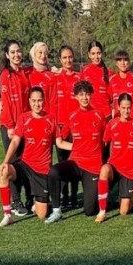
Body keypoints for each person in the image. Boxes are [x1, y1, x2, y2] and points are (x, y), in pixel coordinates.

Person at [46, 80, 107, 223]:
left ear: (91, 95)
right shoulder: (72, 116)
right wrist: (77, 147)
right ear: (76, 97)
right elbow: (60, 142)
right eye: (81, 95)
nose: (84, 98)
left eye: (87, 94)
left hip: (93, 166)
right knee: (54, 171)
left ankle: (103, 197)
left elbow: (105, 141)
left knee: (90, 211)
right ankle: (56, 210)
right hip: (76, 162)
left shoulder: (99, 115)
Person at [0, 87, 55, 227]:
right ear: (29, 101)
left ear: (44, 101)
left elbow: (58, 142)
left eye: (39, 100)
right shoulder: (23, 118)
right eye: (34, 101)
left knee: (41, 215)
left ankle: (44, 201)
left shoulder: (51, 119)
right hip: (25, 164)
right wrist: (5, 162)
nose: (37, 104)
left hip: (42, 170)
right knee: (4, 171)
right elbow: (15, 141)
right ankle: (8, 215)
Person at [94, 93, 133, 222]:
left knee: (123, 212)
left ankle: (130, 198)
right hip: (114, 167)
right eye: (123, 108)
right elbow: (103, 143)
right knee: (104, 169)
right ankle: (102, 211)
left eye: (128, 108)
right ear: (118, 107)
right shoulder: (112, 124)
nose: (126, 111)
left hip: (129, 171)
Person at [0, 39, 31, 216]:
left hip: (24, 125)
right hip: (10, 126)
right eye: (13, 52)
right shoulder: (5, 75)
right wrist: (10, 126)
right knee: (12, 163)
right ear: (7, 55)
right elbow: (7, 102)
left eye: (18, 51)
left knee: (25, 162)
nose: (17, 55)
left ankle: (31, 198)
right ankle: (16, 201)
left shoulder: (24, 72)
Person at [54, 45, 81, 208]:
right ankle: (64, 197)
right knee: (62, 163)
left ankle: (74, 196)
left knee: (75, 162)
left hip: (76, 128)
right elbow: (53, 104)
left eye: (70, 57)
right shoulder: (55, 78)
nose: (68, 60)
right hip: (61, 128)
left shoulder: (79, 78)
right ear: (60, 60)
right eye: (64, 57)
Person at [80, 40, 113, 119]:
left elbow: (111, 96)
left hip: (106, 115)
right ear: (89, 55)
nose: (96, 57)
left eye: (98, 53)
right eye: (93, 54)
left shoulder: (109, 72)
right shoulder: (84, 70)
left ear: (102, 54)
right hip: (90, 114)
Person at [108, 50, 133, 121]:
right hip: (117, 121)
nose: (123, 63)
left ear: (129, 62)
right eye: (120, 60)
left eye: (125, 60)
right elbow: (107, 100)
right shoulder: (111, 80)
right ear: (116, 63)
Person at [28, 42, 57, 116]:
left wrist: (52, 119)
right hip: (29, 117)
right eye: (40, 52)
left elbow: (53, 102)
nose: (43, 56)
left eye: (46, 53)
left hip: (45, 117)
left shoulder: (51, 76)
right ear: (34, 54)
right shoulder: (27, 73)